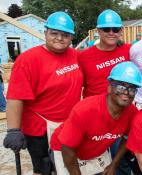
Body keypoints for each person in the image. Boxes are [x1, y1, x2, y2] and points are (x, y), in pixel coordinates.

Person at [3, 11, 83, 175]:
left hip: (68, 124)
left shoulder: (75, 56)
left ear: (71, 37)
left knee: (65, 165)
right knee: (44, 168)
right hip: (39, 128)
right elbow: (15, 98)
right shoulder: (27, 60)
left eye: (65, 35)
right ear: (45, 32)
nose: (60, 38)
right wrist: (13, 130)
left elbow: (97, 61)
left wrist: (112, 46)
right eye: (54, 33)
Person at [50, 62, 141, 175]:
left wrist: (114, 164)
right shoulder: (85, 110)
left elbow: (127, 138)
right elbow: (67, 149)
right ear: (109, 88)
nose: (126, 92)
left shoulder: (132, 113)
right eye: (121, 86)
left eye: (132, 89)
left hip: (95, 151)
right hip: (65, 150)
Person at [79, 9, 130, 98]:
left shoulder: (129, 50)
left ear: (121, 30)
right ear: (98, 30)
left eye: (115, 29)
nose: (111, 33)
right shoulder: (83, 57)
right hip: (94, 109)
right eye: (106, 29)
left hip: (121, 108)